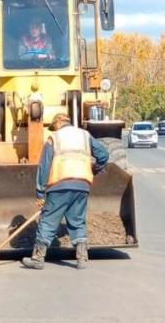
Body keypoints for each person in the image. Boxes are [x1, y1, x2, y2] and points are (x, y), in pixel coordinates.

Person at [22, 114, 109, 271]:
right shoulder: (85, 135)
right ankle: (82, 259)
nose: (53, 129)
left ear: (58, 123)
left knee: (48, 220)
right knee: (77, 221)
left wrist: (40, 193)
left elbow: (44, 167)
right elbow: (103, 155)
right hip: (82, 185)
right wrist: (93, 169)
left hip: (60, 185)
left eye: (53, 126)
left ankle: (38, 258)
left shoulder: (54, 138)